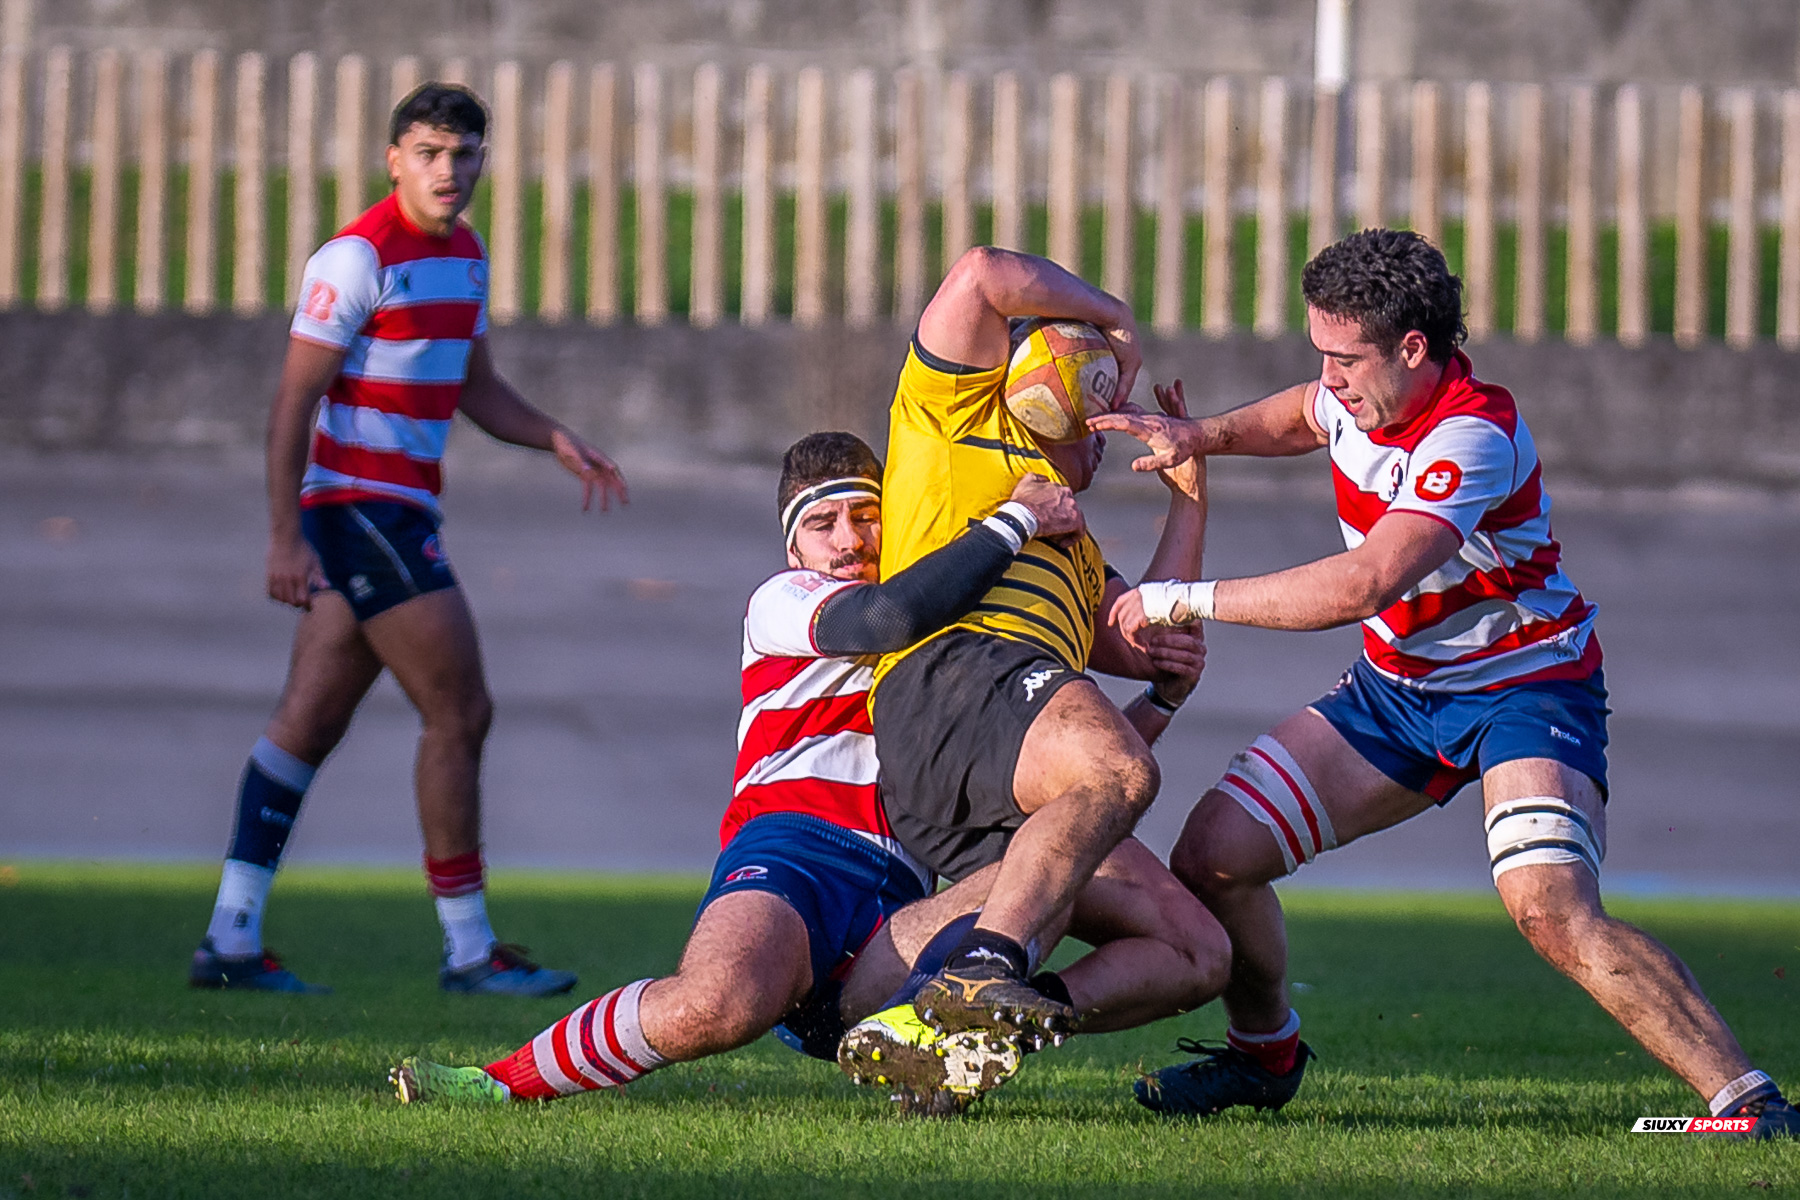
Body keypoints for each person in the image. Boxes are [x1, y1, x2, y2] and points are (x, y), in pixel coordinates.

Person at [1093, 228, 1798, 1140]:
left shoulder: (1471, 434)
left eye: (1346, 357)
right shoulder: (1355, 395)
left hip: (1525, 691)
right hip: (1397, 693)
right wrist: (1204, 435)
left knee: (1549, 908)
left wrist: (1179, 598)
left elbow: (1364, 584)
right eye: (1322, 352)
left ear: (1412, 349)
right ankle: (1264, 1056)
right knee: (1216, 857)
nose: (1331, 376)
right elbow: (1307, 414)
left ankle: (1751, 1103)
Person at [390, 432, 1223, 1114]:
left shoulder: (951, 632)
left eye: (868, 517)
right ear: (794, 543)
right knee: (717, 1005)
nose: (852, 540)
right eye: (826, 524)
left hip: (904, 901)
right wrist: (1010, 519)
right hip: (797, 855)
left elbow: (1073, 787)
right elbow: (884, 616)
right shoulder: (786, 601)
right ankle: (496, 1083)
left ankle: (984, 1022)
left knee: (1155, 924)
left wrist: (1161, 695)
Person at [188, 82, 627, 998]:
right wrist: (284, 538)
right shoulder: (356, 258)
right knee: (460, 710)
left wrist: (553, 436)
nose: (449, 171)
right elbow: (292, 402)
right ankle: (469, 951)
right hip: (359, 511)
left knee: (307, 723)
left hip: (398, 513)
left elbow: (476, 387)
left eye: (465, 154)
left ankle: (229, 939)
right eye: (430, 152)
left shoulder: (465, 258)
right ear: (395, 159)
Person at [867, 245, 1217, 1048]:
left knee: (1196, 951)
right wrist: (1114, 318)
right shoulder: (954, 421)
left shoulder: (1080, 552)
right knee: (1118, 768)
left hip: (997, 747)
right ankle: (988, 967)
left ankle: (942, 1031)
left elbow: (1146, 644)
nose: (1104, 427)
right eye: (1097, 404)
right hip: (950, 679)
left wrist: (1188, 502)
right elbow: (982, 272)